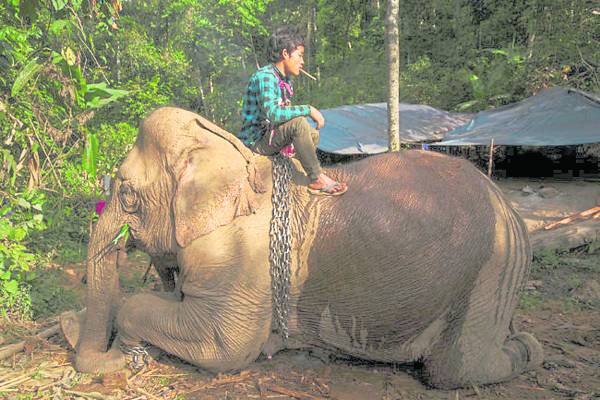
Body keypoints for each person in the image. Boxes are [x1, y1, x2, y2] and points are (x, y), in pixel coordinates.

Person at [239, 26, 347, 196]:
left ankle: (295, 175)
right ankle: (317, 177)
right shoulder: (265, 76)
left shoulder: (285, 80)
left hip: (271, 135)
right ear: (285, 54)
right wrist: (308, 109)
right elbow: (274, 114)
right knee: (299, 124)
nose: (302, 62)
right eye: (300, 55)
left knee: (312, 135)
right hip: (256, 141)